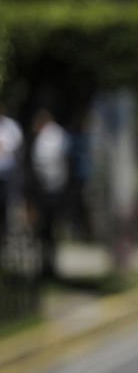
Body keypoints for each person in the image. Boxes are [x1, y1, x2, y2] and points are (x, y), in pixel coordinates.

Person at [29, 109, 70, 279]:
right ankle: (46, 266)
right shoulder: (51, 136)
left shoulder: (53, 136)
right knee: (45, 231)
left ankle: (50, 267)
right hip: (48, 189)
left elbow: (47, 161)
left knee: (49, 230)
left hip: (53, 189)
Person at [0, 103, 25, 249]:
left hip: (8, 174)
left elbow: (17, 147)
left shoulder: (11, 126)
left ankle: (5, 236)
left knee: (7, 206)